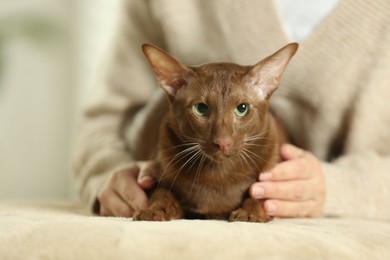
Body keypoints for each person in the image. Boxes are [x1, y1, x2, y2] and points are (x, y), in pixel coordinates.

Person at [72, 0, 390, 220]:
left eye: (240, 109)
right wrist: (106, 175)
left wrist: (338, 189)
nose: (223, 138)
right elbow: (101, 121)